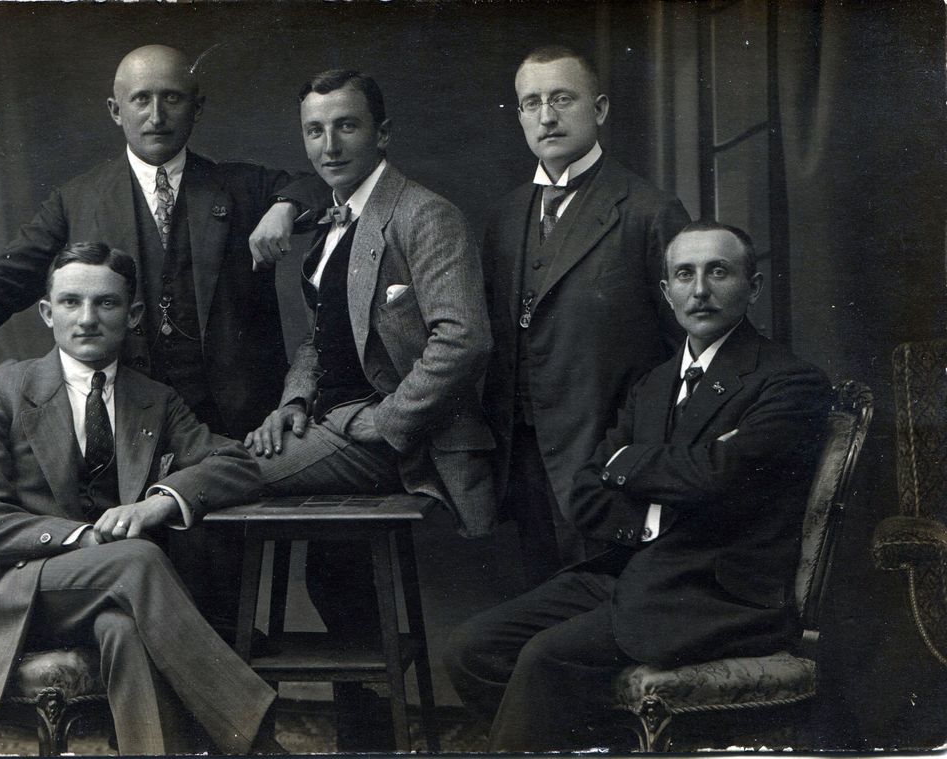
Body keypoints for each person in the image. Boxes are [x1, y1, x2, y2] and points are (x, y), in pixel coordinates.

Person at [0, 44, 304, 632]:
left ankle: (216, 683)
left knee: (221, 603)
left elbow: (319, 185)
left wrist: (286, 206)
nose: (156, 115)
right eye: (141, 99)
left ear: (197, 107)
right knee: (139, 593)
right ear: (115, 110)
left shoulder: (242, 186)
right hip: (124, 429)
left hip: (224, 430)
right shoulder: (79, 199)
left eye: (172, 98)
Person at [444, 221, 833, 751]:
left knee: (546, 656)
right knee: (472, 648)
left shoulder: (789, 381)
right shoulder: (654, 384)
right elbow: (585, 491)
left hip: (716, 593)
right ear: (666, 292)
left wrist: (628, 462)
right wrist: (665, 497)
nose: (700, 290)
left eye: (719, 272)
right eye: (685, 274)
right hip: (632, 570)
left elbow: (719, 473)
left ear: (754, 287)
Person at [0, 242, 284, 755]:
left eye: (106, 303)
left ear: (132, 315)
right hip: (12, 590)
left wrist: (159, 502)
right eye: (71, 302)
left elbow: (237, 464)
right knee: (138, 559)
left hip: (108, 595)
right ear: (47, 313)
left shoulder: (153, 399)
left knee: (123, 629)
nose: (87, 318)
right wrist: (83, 537)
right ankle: (256, 742)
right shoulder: (0, 391)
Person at [243, 69, 496, 750]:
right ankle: (370, 739)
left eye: (346, 126)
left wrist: (389, 421)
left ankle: (238, 717)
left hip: (400, 442)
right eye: (315, 130)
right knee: (331, 573)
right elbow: (321, 337)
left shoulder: (424, 214)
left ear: (382, 133)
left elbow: (464, 339)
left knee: (226, 474)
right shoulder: (332, 221)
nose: (329, 145)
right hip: (332, 424)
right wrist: (294, 401)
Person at [482, 46, 691, 584]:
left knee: (602, 608)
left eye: (562, 99)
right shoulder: (505, 216)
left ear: (598, 109)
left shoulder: (648, 211)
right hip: (523, 461)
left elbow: (689, 351)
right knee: (540, 602)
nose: (546, 117)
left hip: (608, 460)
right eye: (532, 103)